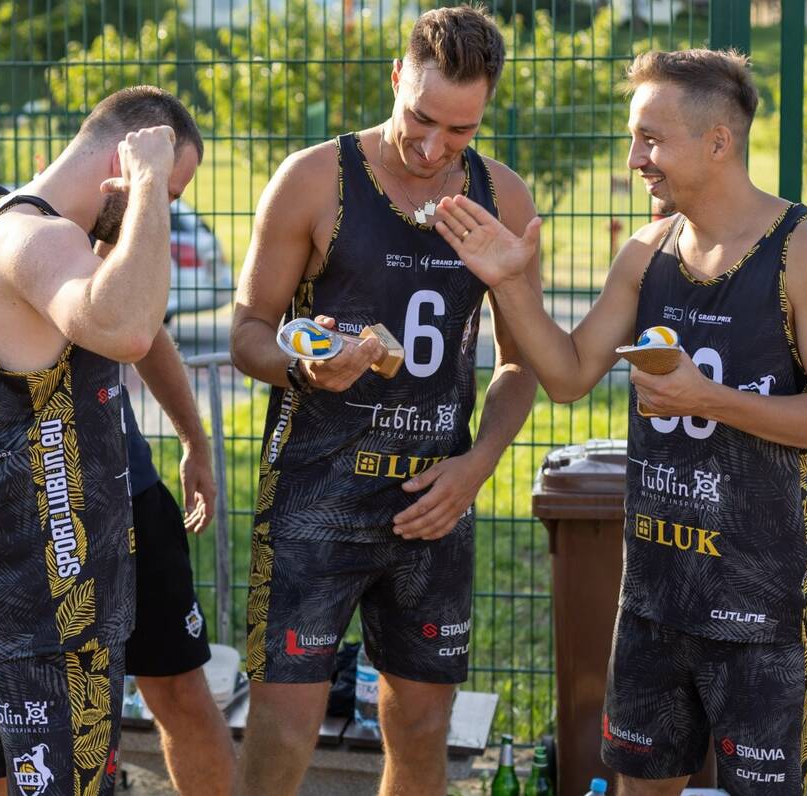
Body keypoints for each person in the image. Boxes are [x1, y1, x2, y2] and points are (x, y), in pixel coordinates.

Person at [431, 49, 807, 796]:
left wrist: (708, 399)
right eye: (634, 139)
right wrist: (510, 284)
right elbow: (568, 374)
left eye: (651, 140)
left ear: (718, 142)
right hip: (654, 596)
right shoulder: (646, 251)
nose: (634, 159)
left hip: (764, 608)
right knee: (641, 787)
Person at [0, 91, 231, 794]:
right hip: (23, 544)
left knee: (178, 694)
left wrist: (193, 439)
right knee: (10, 747)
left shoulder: (44, 222)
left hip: (120, 501)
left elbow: (140, 326)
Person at [229, 6, 540, 794]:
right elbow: (248, 332)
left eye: (460, 131)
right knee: (283, 732)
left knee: (423, 728)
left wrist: (478, 464)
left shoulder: (502, 195)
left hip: (433, 502)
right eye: (420, 118)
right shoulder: (314, 179)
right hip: (314, 499)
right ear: (396, 78)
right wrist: (304, 367)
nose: (433, 148)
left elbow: (523, 361)